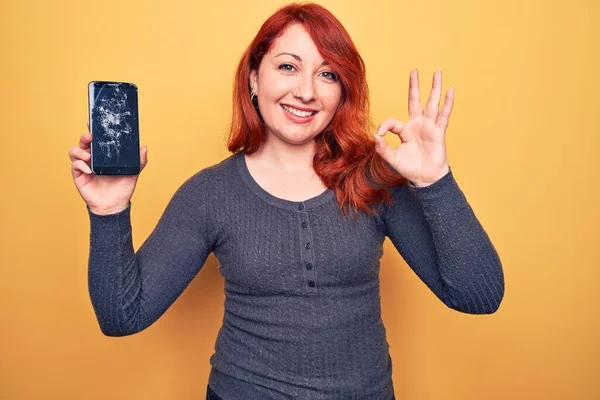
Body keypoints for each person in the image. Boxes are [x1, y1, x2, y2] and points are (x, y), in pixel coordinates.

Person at [69, 3, 505, 399]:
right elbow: (122, 317)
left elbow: (478, 295)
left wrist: (435, 181)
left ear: (342, 93)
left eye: (327, 73)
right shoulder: (209, 194)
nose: (306, 91)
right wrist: (108, 211)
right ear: (254, 78)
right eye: (288, 66)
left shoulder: (374, 179)